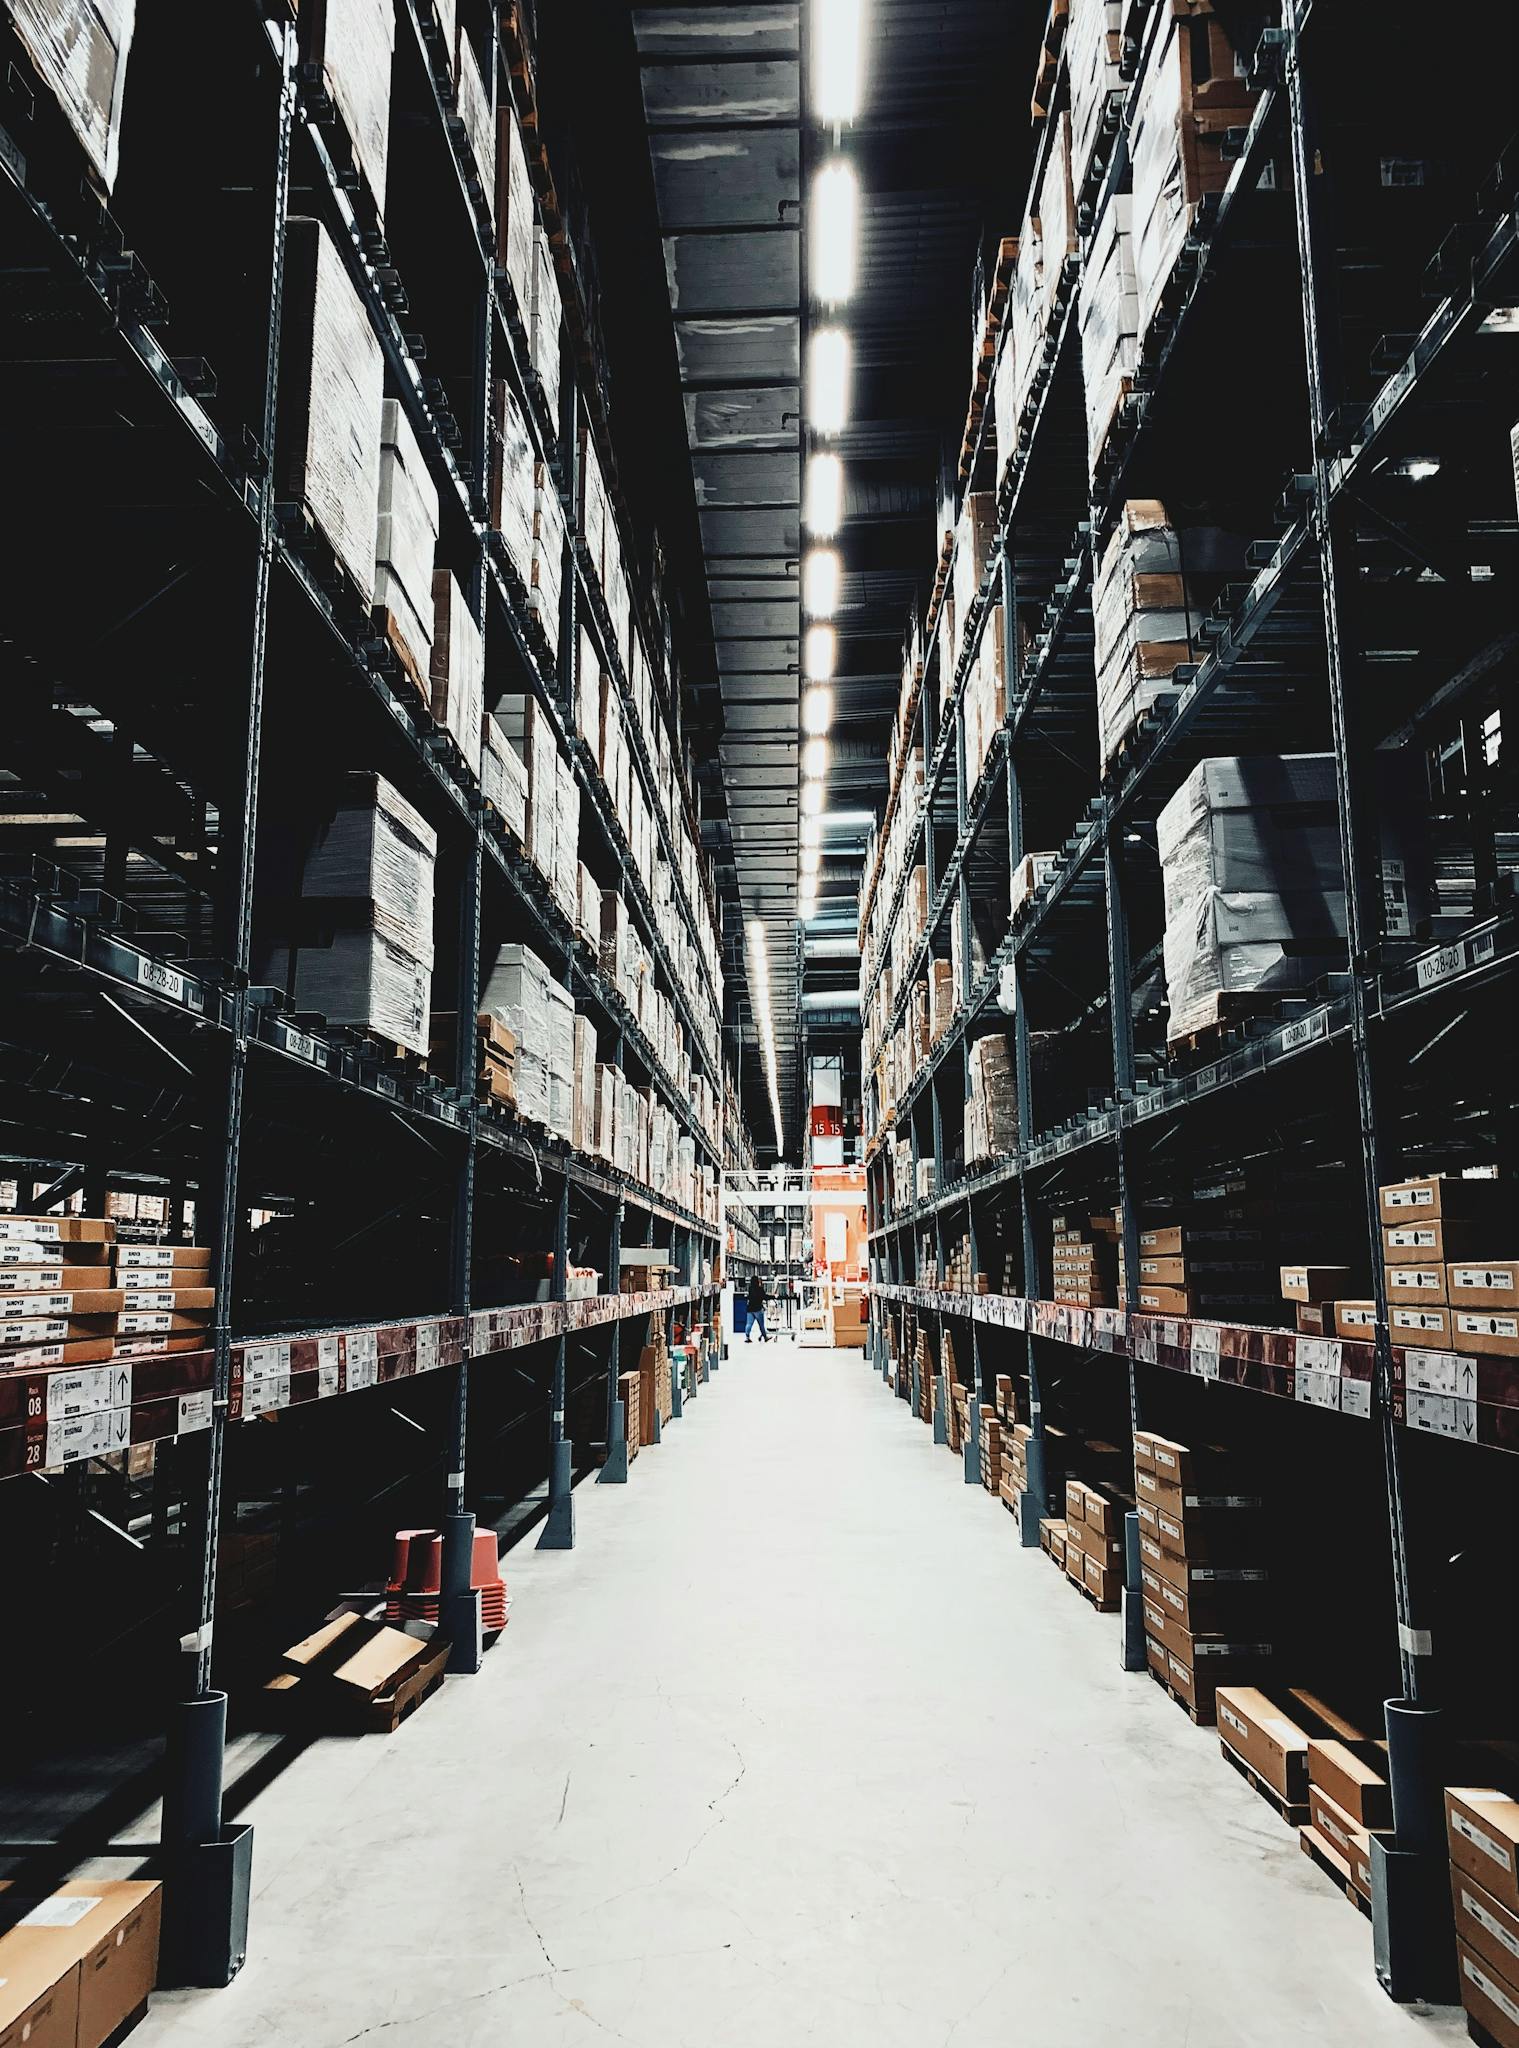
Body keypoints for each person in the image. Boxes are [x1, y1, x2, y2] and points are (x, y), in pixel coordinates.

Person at [745, 1272, 768, 1343]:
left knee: (749, 1324)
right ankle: (765, 1337)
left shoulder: (750, 1288)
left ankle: (747, 1337)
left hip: (750, 1309)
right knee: (761, 1325)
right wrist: (773, 1296)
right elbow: (764, 1297)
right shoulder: (760, 1289)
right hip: (758, 1309)